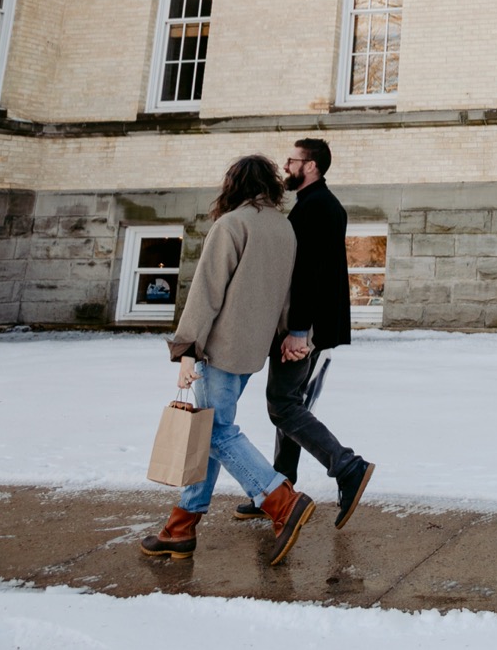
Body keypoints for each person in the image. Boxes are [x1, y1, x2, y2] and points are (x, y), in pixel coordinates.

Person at [140, 154, 317, 565]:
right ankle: (181, 527)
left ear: (233, 185)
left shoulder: (231, 225)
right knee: (210, 432)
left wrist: (186, 349)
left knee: (217, 433)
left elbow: (206, 292)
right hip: (252, 350)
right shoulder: (283, 228)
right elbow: (288, 293)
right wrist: (289, 334)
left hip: (219, 347)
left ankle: (281, 500)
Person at [234, 138, 375, 529]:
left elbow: (310, 277)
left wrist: (298, 331)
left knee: (283, 404)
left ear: (310, 166)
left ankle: (347, 466)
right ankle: (280, 489)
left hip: (304, 327)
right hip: (306, 325)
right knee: (289, 403)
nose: (286, 167)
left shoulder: (318, 209)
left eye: (292, 161)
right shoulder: (313, 205)